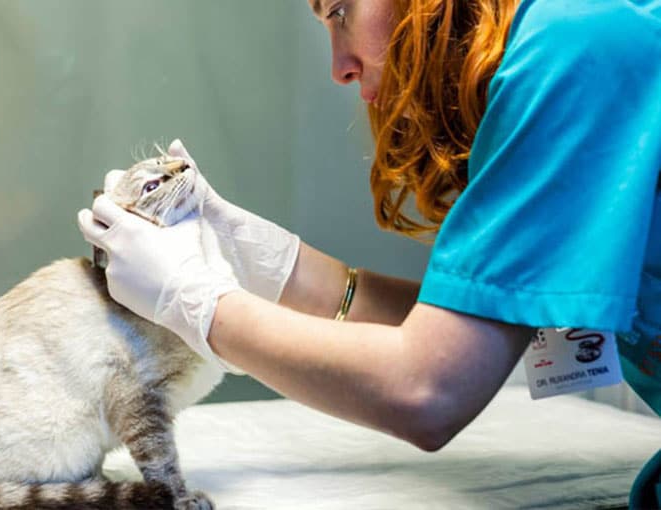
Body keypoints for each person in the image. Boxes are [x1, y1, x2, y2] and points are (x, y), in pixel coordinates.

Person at [79, 0, 661, 506]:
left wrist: (194, 301)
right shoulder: (558, 39)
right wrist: (278, 267)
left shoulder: (572, 47)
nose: (339, 68)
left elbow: (428, 390)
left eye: (340, 11)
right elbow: (477, 331)